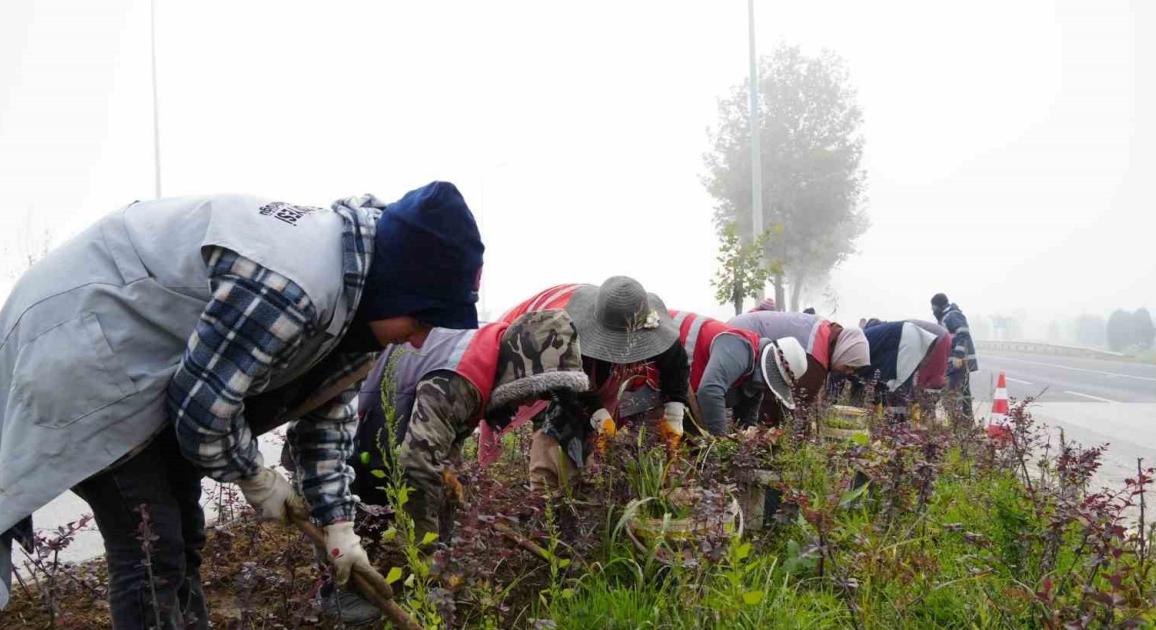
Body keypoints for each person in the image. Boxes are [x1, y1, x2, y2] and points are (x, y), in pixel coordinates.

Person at [0, 181, 485, 630]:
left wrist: (339, 528)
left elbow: (326, 419)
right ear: (400, 286)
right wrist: (255, 476)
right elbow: (202, 410)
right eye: (421, 320)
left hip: (150, 370)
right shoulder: (294, 284)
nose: (419, 341)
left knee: (183, 537)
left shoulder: (357, 307)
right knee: (151, 545)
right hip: (86, 347)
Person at [332, 310, 589, 625]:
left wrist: (454, 485)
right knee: (357, 516)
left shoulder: (489, 345)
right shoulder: (464, 377)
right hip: (355, 425)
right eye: (534, 389)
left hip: (384, 415)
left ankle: (439, 589)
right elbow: (417, 464)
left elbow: (441, 437)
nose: (530, 401)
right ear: (523, 369)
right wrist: (427, 557)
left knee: (440, 500)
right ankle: (345, 598)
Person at [497, 277, 690, 492]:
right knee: (553, 443)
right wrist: (599, 416)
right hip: (558, 386)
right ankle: (546, 496)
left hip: (607, 390)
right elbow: (568, 389)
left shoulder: (656, 333)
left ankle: (592, 484)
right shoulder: (568, 338)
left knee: (601, 463)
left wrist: (674, 417)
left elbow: (677, 367)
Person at [669, 311, 808, 435]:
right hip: (662, 340)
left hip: (678, 375)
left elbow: (747, 420)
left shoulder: (755, 378)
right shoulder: (740, 348)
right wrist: (720, 443)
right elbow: (710, 392)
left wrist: (746, 442)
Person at [727, 311, 870, 409]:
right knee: (726, 394)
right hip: (742, 337)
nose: (849, 372)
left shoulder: (826, 330)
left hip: (741, 326)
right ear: (843, 353)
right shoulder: (816, 357)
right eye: (849, 366)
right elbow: (799, 403)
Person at [851, 320, 940, 420]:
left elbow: (876, 381)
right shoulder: (865, 347)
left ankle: (898, 423)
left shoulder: (854, 352)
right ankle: (900, 422)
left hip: (908, 338)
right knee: (898, 385)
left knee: (898, 387)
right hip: (914, 337)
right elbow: (877, 380)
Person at [931, 293, 979, 422]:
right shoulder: (944, 318)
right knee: (963, 396)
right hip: (953, 363)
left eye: (934, 308)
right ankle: (966, 426)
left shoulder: (952, 315)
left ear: (939, 306)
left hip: (958, 362)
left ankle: (958, 424)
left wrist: (958, 355)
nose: (933, 311)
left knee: (952, 395)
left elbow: (963, 334)